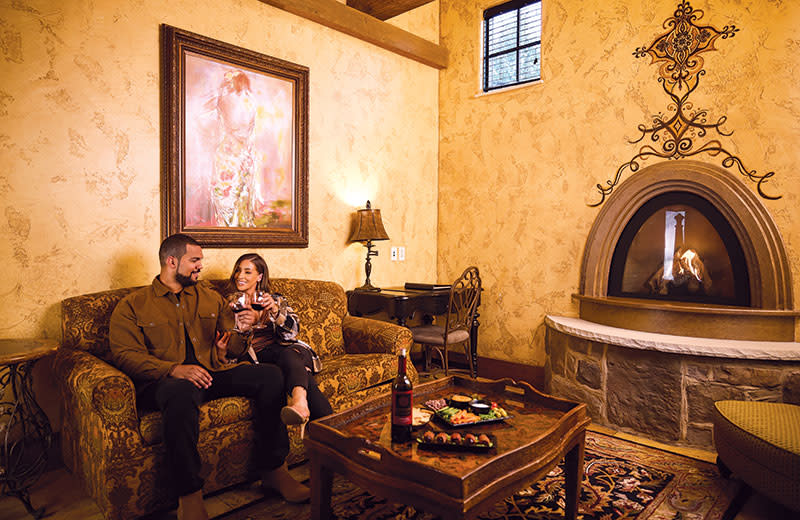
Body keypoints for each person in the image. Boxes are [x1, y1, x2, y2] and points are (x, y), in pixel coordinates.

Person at [109, 234, 309, 520]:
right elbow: (125, 355)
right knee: (180, 392)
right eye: (195, 260)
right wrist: (173, 369)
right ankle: (189, 496)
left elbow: (237, 348)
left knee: (271, 376)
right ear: (171, 261)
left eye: (200, 261)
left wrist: (238, 335)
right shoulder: (133, 305)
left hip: (212, 372)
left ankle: (275, 470)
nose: (200, 266)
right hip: (165, 383)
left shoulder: (210, 298)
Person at [226, 253, 332, 434]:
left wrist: (275, 310)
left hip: (288, 351)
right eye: (238, 270)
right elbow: (230, 346)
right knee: (302, 375)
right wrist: (244, 325)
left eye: (247, 272)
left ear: (259, 277)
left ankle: (299, 402)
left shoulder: (275, 299)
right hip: (258, 358)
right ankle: (333, 435)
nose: (239, 275)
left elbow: (292, 333)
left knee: (289, 354)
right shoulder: (230, 304)